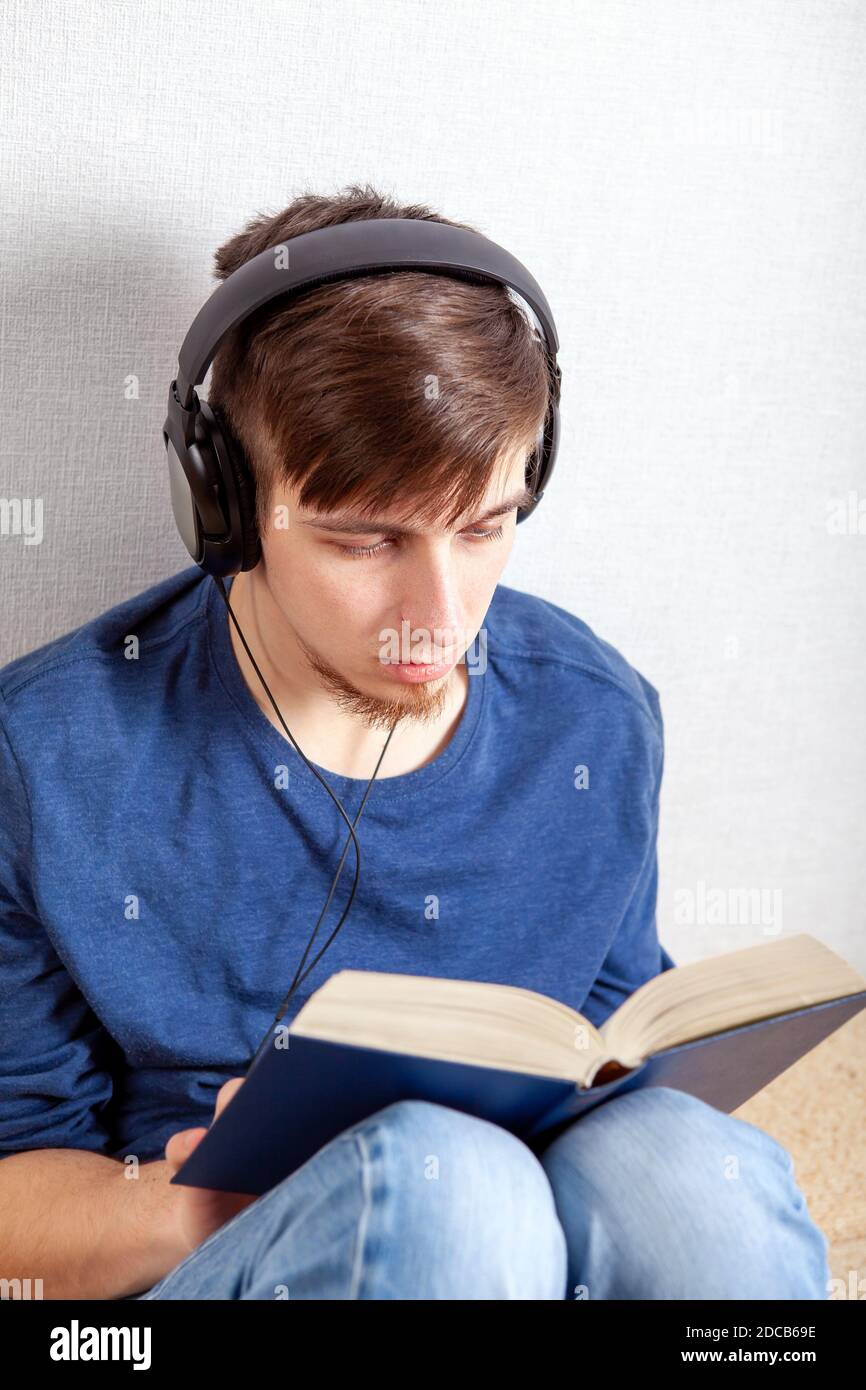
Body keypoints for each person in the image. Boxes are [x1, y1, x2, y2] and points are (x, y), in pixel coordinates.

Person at [0, 186, 830, 1300]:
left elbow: (608, 1052)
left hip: (527, 1239)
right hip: (222, 1249)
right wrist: (210, 1197)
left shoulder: (590, 715)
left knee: (692, 1179)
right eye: (363, 539)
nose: (434, 622)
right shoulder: (49, 754)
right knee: (455, 1193)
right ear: (225, 502)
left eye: (483, 528)